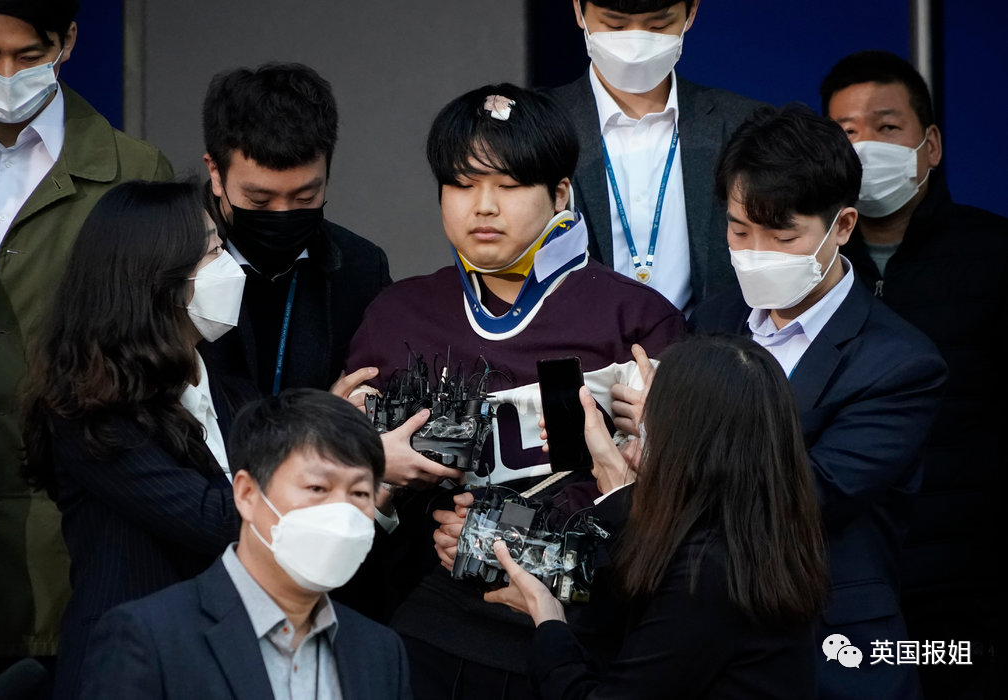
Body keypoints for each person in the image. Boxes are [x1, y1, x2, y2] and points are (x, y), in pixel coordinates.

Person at [344, 83, 684, 699]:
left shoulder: (636, 319)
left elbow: (680, 514)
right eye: (462, 184)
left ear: (560, 194)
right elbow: (340, 510)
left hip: (583, 640)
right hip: (428, 629)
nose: (483, 207)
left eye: (509, 185)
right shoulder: (397, 314)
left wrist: (510, 537)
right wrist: (359, 460)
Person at [691, 105, 947, 700]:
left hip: (828, 653)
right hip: (705, 648)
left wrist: (671, 442)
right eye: (739, 231)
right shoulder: (714, 318)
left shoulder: (899, 362)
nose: (758, 252)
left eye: (784, 237)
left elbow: (809, 496)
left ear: (843, 226)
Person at [0, 0, 172, 689]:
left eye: (28, 56)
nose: (6, 75)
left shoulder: (135, 171)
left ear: (68, 41)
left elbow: (157, 373)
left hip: (72, 552)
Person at [431, 334, 826, 699]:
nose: (642, 427)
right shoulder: (756, 533)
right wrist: (611, 475)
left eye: (652, 414)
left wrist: (548, 618)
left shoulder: (706, 571)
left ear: (687, 438)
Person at [820, 50, 1007, 698]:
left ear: (931, 145)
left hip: (963, 581)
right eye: (846, 132)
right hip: (841, 581)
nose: (865, 147)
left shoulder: (993, 255)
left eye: (886, 127)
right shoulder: (807, 269)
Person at [22, 181, 246, 697]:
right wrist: (352, 461)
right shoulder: (90, 414)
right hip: (129, 673)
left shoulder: (226, 391)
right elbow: (217, 518)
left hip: (215, 665)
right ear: (156, 278)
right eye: (212, 252)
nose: (230, 267)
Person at [79, 389, 412, 700]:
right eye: (317, 488)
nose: (341, 512)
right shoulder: (148, 637)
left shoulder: (381, 652)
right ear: (247, 494)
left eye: (359, 493)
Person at [549, 0, 762, 312]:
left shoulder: (742, 124)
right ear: (579, 10)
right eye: (615, 25)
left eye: (658, 26)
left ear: (691, 12)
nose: (636, 45)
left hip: (707, 340)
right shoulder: (538, 123)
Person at [198, 62, 390, 398]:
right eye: (259, 200)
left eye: (305, 197)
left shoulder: (361, 269)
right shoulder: (167, 265)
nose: (282, 214)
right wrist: (317, 420)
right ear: (215, 172)